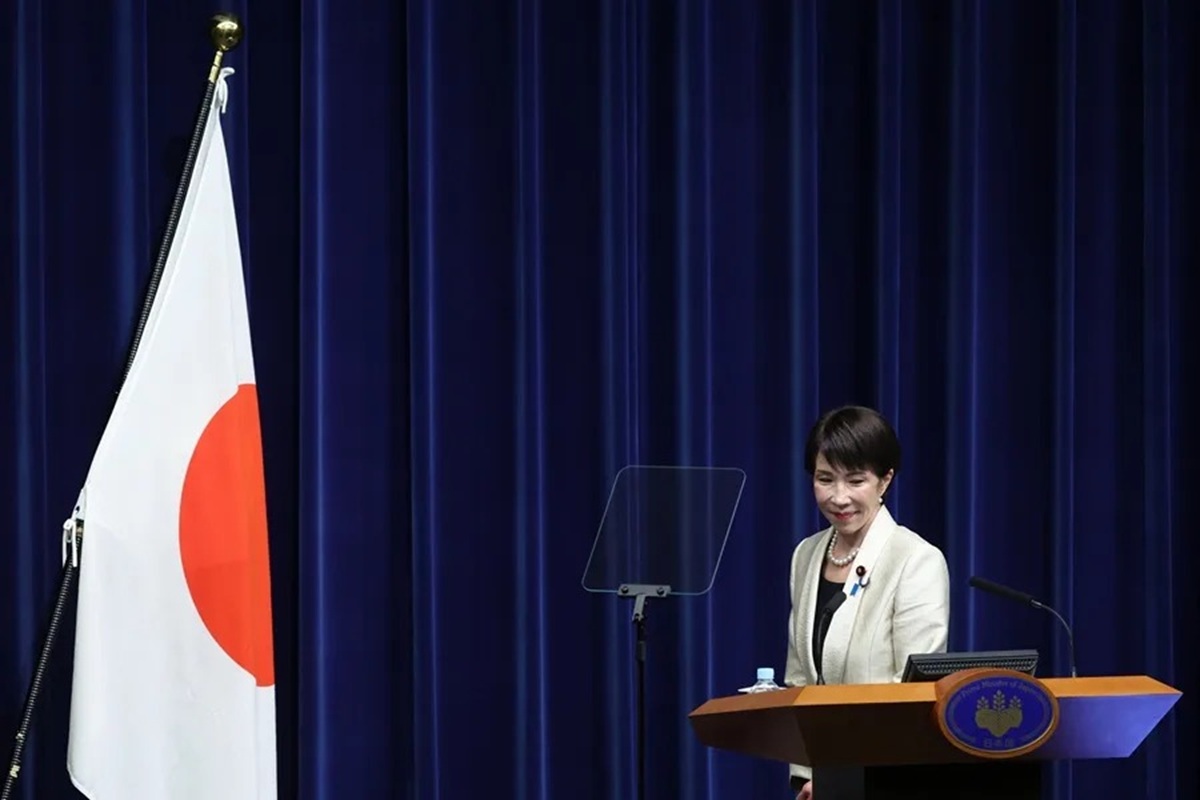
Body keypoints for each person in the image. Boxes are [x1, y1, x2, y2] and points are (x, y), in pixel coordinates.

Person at [784, 406, 950, 800]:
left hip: (887, 779)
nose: (838, 497)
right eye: (825, 479)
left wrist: (841, 779)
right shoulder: (806, 555)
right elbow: (800, 680)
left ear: (885, 480)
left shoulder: (915, 559)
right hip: (818, 782)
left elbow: (911, 696)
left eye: (855, 480)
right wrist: (807, 777)